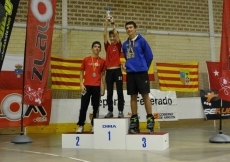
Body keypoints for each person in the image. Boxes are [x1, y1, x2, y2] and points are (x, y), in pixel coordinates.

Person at [122, 21, 154, 134]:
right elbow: (127, 58)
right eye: (127, 28)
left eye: (131, 27)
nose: (129, 29)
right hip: (130, 74)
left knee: (145, 96)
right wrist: (127, 66)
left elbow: (149, 56)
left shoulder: (142, 41)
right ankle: (134, 120)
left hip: (142, 73)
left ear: (135, 29)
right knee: (133, 97)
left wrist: (143, 67)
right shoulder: (125, 44)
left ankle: (150, 119)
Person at [76, 41, 106, 133]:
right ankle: (81, 125)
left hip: (96, 86)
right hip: (86, 87)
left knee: (96, 107)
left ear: (100, 49)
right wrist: (81, 84)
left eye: (98, 47)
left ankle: (94, 125)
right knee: (83, 106)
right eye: (95, 46)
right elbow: (81, 72)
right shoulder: (86, 60)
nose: (97, 48)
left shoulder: (102, 61)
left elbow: (103, 75)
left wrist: (103, 87)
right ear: (92, 48)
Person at [103, 16, 125, 118]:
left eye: (113, 37)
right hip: (109, 72)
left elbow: (116, 34)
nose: (112, 38)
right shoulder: (107, 46)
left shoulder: (118, 45)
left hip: (117, 71)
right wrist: (106, 23)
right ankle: (110, 111)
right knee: (109, 93)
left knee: (120, 91)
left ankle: (120, 111)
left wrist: (113, 23)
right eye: (110, 37)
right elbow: (104, 34)